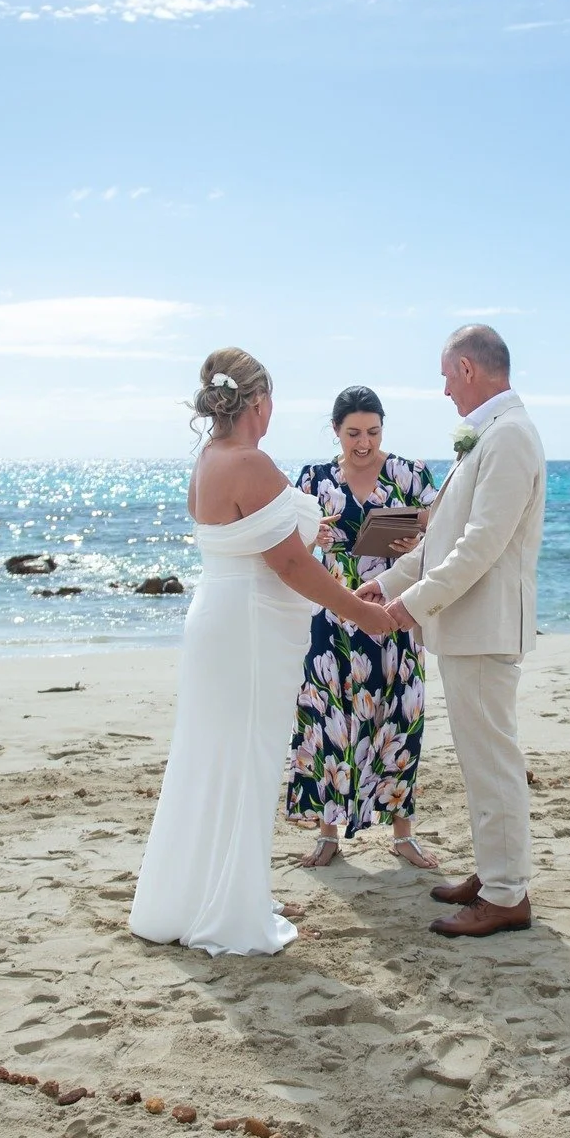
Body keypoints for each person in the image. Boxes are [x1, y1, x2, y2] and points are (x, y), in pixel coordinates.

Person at [128, 349, 396, 957]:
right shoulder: (250, 461)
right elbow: (291, 564)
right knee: (243, 764)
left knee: (211, 759)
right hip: (247, 629)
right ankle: (227, 908)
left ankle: (197, 894)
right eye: (271, 400)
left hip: (220, 621)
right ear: (258, 402)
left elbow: (256, 537)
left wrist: (309, 531)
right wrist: (366, 615)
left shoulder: (210, 459)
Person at [360, 325, 546, 938]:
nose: (443, 390)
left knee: (493, 760)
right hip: (468, 628)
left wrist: (410, 606)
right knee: (478, 758)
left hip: (487, 629)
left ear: (468, 369)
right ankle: (495, 874)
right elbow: (442, 538)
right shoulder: (488, 437)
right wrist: (386, 585)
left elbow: (481, 547)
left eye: (445, 376)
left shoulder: (511, 437)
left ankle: (506, 894)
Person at [288, 386, 443, 870]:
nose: (364, 443)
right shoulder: (313, 479)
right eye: (353, 433)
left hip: (394, 612)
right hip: (332, 614)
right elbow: (293, 552)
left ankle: (402, 836)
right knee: (327, 719)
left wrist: (412, 546)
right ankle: (328, 833)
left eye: (373, 432)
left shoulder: (409, 473)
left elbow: (442, 535)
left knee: (399, 715)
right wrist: (310, 536)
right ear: (336, 431)